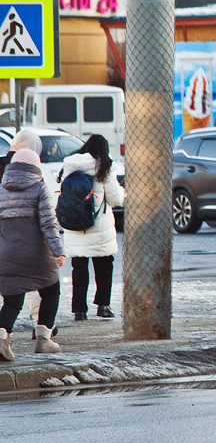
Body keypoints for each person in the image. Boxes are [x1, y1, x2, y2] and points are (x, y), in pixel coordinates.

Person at [0, 146, 64, 358]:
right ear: (35, 167)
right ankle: (44, 339)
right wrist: (58, 251)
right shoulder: (39, 188)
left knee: (12, 301)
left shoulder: (1, 189)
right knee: (51, 290)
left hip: (7, 256)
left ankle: (1, 339)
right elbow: (49, 224)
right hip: (37, 255)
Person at [61, 135, 124, 322]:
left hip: (75, 224)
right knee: (104, 266)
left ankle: (79, 310)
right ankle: (103, 306)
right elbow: (115, 199)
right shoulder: (105, 167)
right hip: (99, 225)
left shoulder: (70, 165)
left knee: (79, 268)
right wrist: (122, 191)